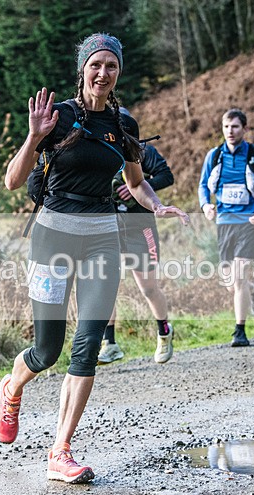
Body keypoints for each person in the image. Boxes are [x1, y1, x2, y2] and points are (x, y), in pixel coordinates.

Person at [0, 33, 189, 484]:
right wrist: (34, 136)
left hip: (103, 240)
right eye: (96, 65)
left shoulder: (124, 124)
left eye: (111, 65)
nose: (103, 73)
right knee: (47, 350)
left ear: (119, 71)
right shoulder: (57, 117)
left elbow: (136, 181)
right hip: (52, 240)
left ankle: (60, 451)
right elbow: (12, 181)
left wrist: (157, 205)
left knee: (87, 348)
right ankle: (12, 386)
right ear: (82, 69)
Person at [198, 108, 254, 347]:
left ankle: (240, 331)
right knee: (230, 284)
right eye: (226, 127)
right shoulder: (214, 156)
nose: (230, 131)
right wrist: (206, 205)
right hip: (224, 223)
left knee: (240, 275)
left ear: (245, 129)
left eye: (235, 126)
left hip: (249, 222)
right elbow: (203, 185)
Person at [99, 111, 175, 365]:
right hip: (109, 225)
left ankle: (164, 331)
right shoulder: (98, 151)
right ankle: (109, 343)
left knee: (148, 288)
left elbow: (166, 176)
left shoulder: (142, 150)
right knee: (105, 284)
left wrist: (136, 187)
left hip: (140, 226)